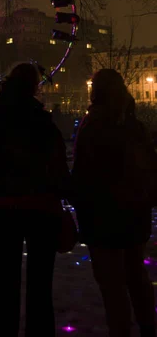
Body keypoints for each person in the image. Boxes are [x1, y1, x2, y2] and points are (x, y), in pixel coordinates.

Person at [0, 63, 71, 337]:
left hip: (7, 207)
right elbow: (59, 166)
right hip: (41, 208)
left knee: (4, 278)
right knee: (40, 284)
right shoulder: (42, 122)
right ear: (35, 86)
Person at [72, 69, 156, 337]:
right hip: (134, 213)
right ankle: (147, 328)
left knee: (112, 285)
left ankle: (121, 330)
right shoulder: (135, 126)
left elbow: (83, 175)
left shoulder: (92, 127)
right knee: (137, 277)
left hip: (102, 217)